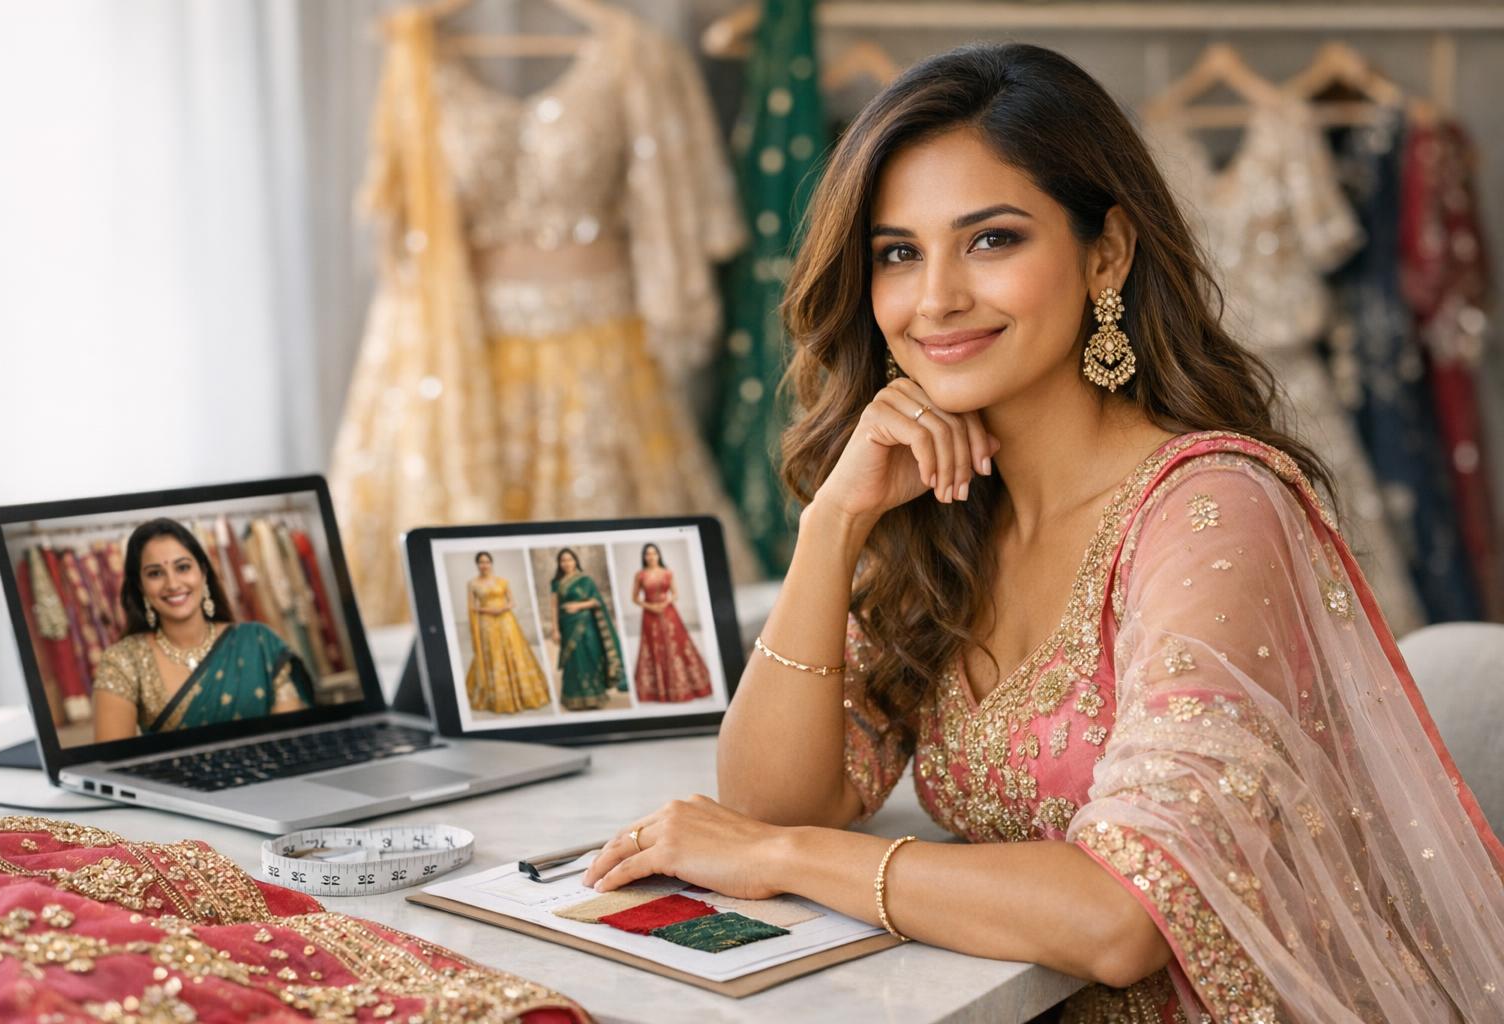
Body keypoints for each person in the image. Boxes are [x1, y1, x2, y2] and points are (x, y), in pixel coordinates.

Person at [582, 43, 1504, 1022]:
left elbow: (1122, 916)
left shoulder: (1210, 510)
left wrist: (779, 858)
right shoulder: (940, 517)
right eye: (897, 252)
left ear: (1106, 252)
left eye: (991, 240)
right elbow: (774, 800)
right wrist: (833, 523)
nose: (934, 297)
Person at [92, 518, 313, 742]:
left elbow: (290, 740)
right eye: (155, 573)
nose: (173, 584)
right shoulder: (123, 662)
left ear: (203, 572)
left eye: (183, 567)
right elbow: (114, 764)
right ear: (141, 586)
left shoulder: (260, 643)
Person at [465, 552, 551, 714]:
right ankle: (498, 698)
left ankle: (522, 695)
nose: (485, 565)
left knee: (514, 652)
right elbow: (472, 607)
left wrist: (503, 608)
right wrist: (488, 610)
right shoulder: (472, 584)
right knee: (493, 654)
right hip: (486, 622)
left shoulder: (503, 581)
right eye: (481, 562)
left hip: (506, 619)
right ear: (477, 565)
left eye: (487, 562)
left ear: (491, 563)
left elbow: (512, 602)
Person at [631, 543, 712, 702]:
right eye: (648, 554)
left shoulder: (667, 573)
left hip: (669, 613)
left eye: (654, 553)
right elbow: (634, 598)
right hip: (649, 615)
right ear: (644, 557)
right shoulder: (640, 575)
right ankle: (658, 691)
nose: (651, 557)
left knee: (676, 645)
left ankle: (684, 687)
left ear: (658, 555)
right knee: (654, 647)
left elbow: (675, 594)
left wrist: (664, 603)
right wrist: (651, 606)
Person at [549, 548, 625, 711]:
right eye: (563, 560)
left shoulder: (586, 580)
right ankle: (573, 698)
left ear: (576, 561)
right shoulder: (556, 583)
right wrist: (555, 629)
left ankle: (595, 696)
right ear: (559, 563)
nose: (567, 563)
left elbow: (596, 601)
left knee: (591, 655)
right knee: (573, 659)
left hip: (587, 623)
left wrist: (578, 605)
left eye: (570, 559)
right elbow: (554, 606)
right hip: (567, 625)